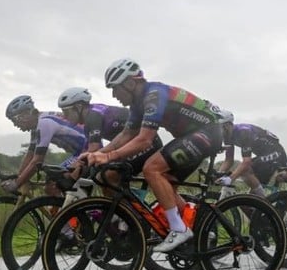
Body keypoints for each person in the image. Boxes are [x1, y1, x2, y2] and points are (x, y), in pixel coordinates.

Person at [81, 58, 223, 253]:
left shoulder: (154, 95)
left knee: (152, 168)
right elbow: (127, 134)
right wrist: (97, 153)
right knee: (165, 182)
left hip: (208, 132)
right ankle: (199, 229)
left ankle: (179, 229)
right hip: (194, 135)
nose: (114, 95)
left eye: (115, 88)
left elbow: (145, 139)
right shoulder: (138, 105)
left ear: (130, 83)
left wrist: (108, 157)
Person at [2, 95, 87, 197]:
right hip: (79, 152)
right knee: (50, 186)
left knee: (53, 186)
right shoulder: (36, 125)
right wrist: (19, 176)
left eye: (15, 120)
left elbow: (37, 161)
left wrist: (16, 184)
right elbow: (30, 155)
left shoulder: (44, 124)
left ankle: (73, 211)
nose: (15, 125)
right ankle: (69, 209)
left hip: (88, 150)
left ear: (25, 114)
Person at [215, 109, 287, 197]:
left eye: (220, 127)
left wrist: (231, 178)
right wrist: (218, 174)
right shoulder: (227, 136)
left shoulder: (243, 132)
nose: (219, 132)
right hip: (263, 155)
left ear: (228, 125)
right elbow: (229, 160)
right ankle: (259, 205)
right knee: (249, 203)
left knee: (245, 170)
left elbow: (246, 162)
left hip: (276, 153)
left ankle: (264, 203)